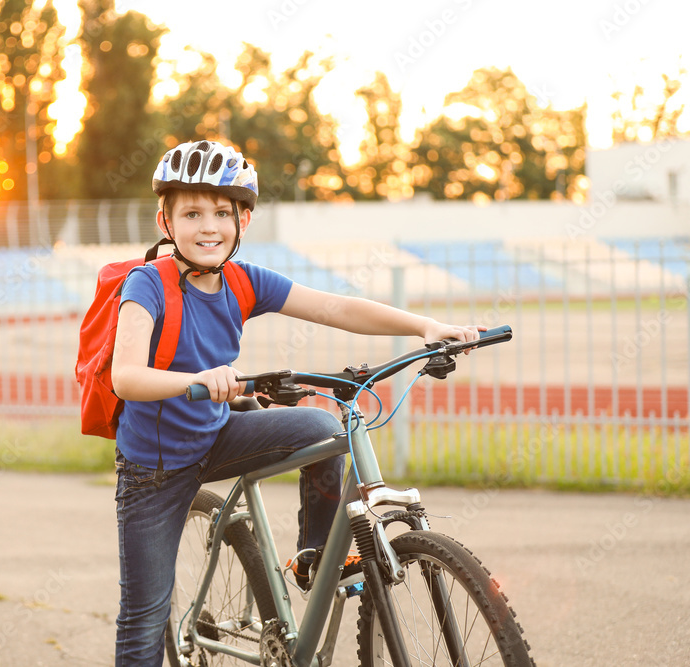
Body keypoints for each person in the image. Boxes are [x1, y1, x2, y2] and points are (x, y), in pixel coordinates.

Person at [110, 140, 480, 665]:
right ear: (165, 219)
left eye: (222, 212)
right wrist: (198, 378)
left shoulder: (243, 281)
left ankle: (314, 553)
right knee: (145, 614)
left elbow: (336, 307)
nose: (208, 226)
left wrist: (425, 327)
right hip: (155, 467)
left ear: (244, 220)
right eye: (191, 212)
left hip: (216, 436)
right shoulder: (146, 284)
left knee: (322, 427)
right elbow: (125, 377)